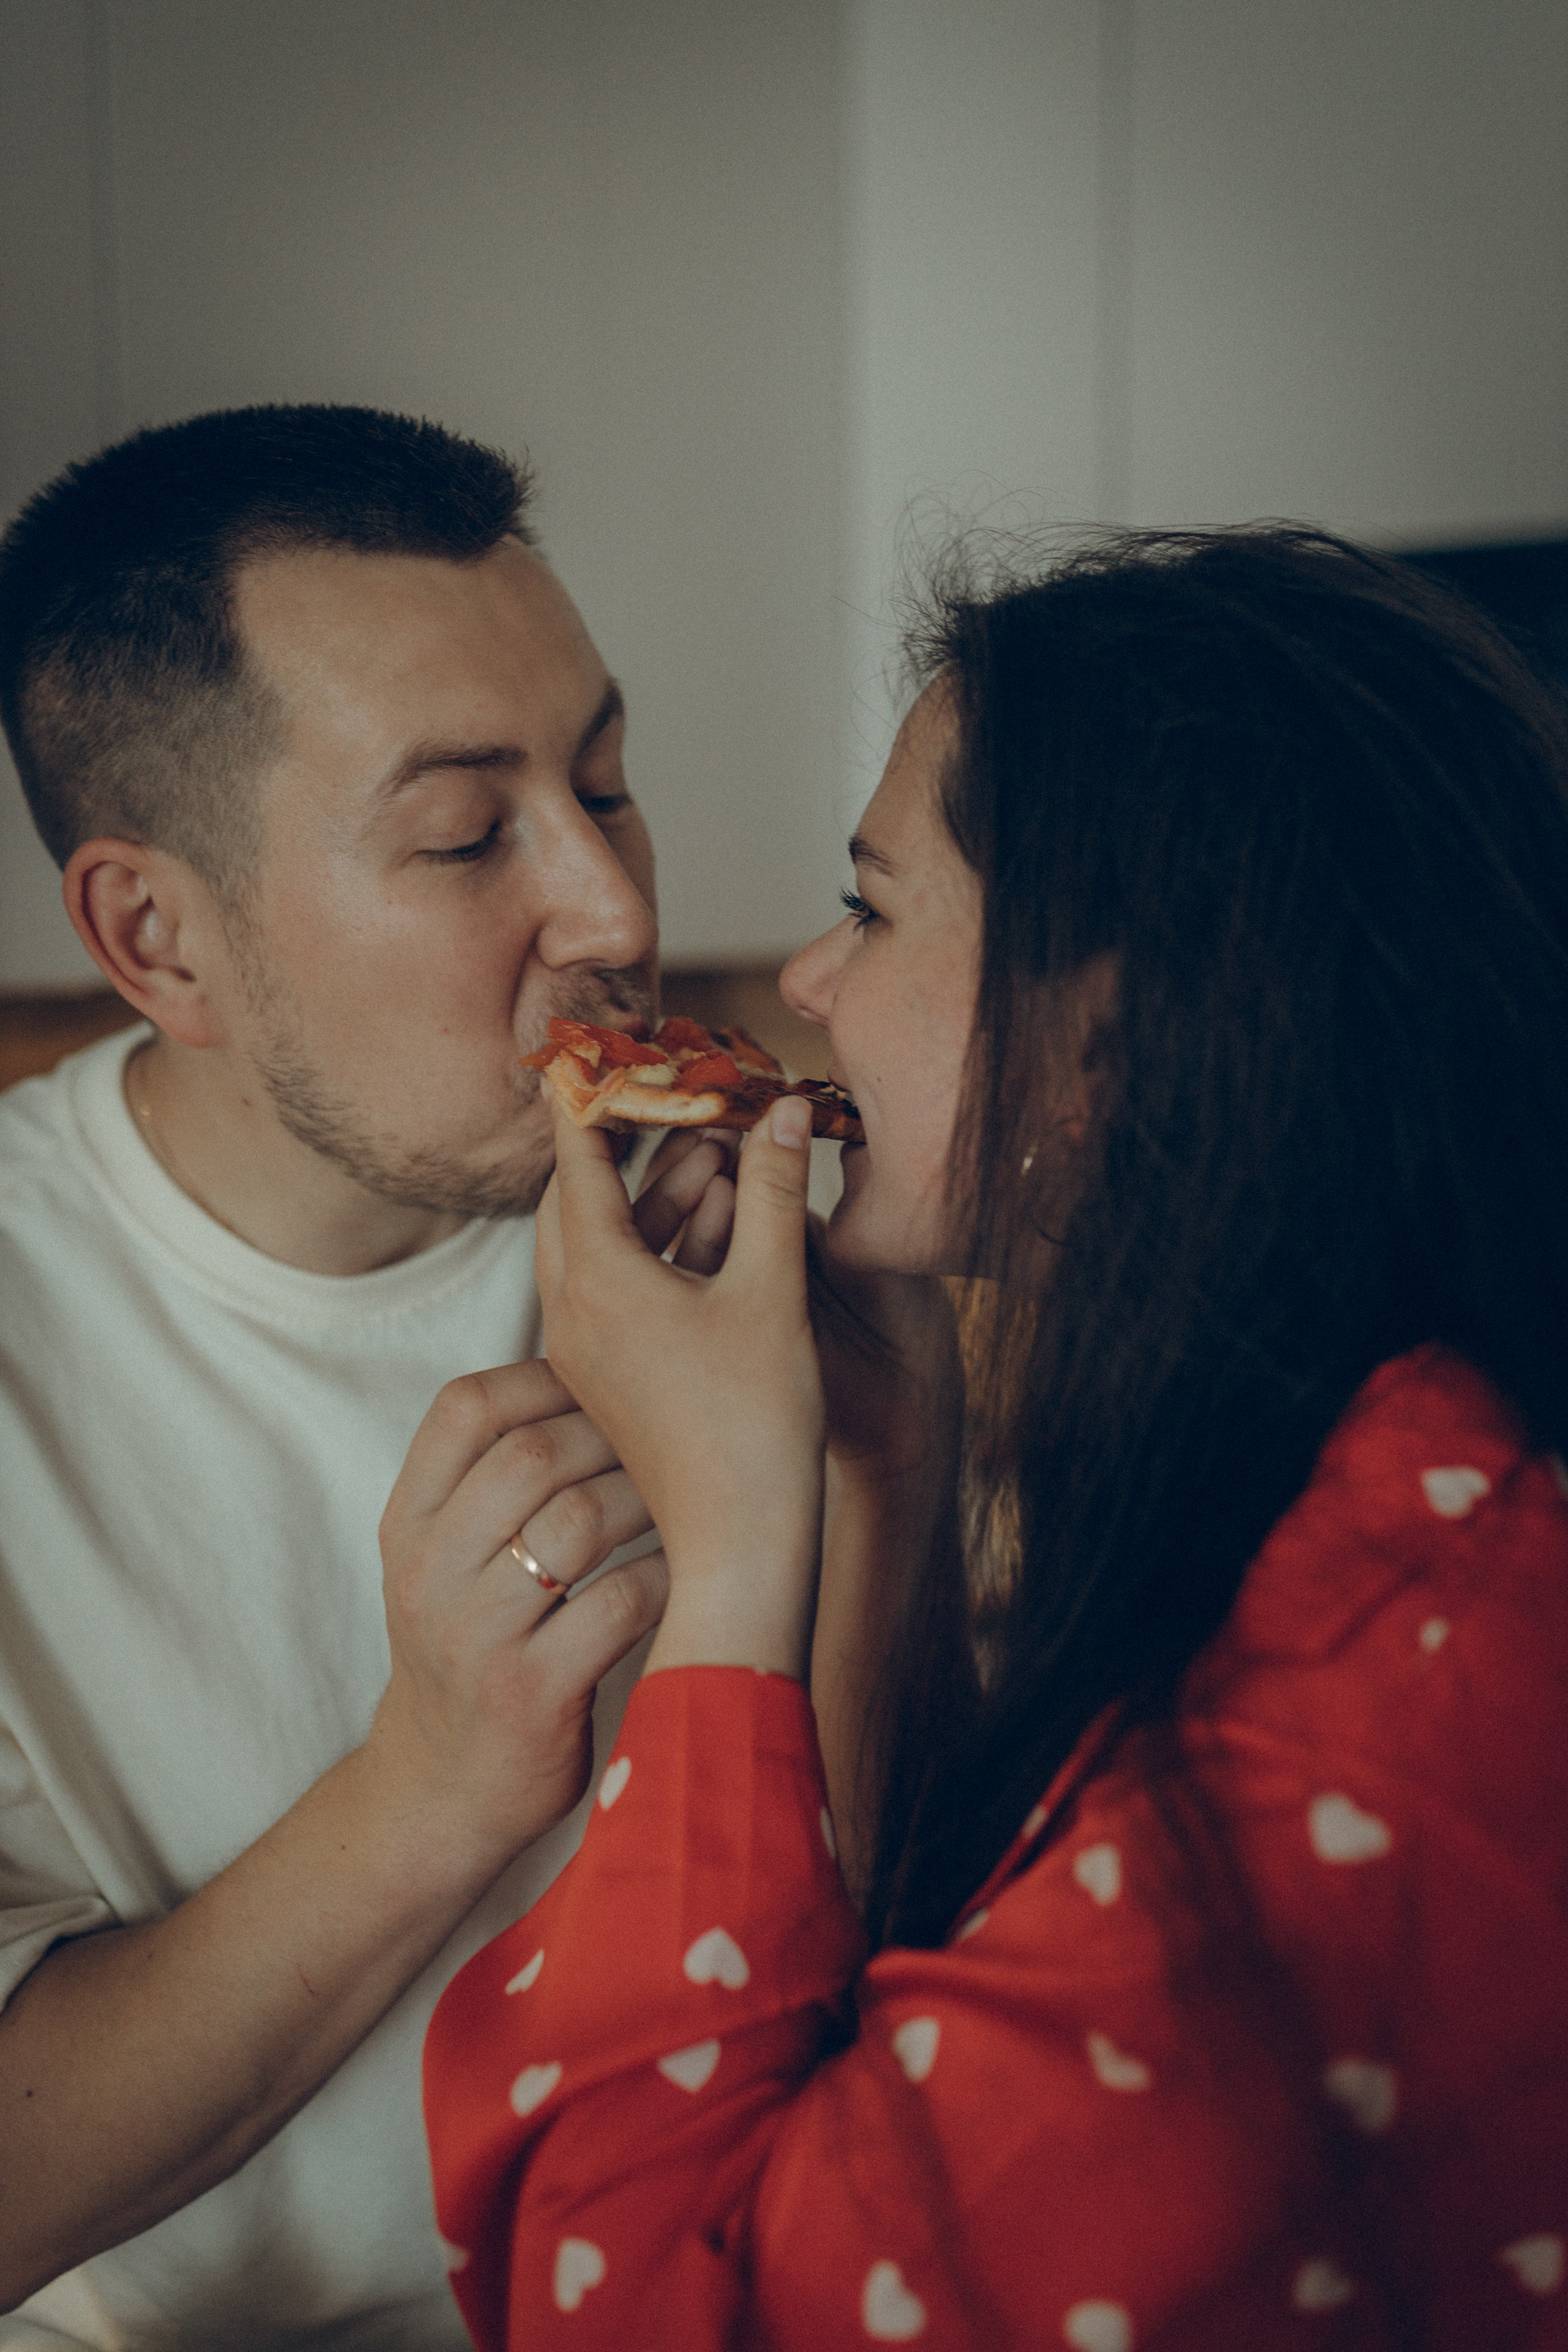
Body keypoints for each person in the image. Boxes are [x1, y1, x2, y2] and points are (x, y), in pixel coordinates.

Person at [423, 526, 1568, 2350]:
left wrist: (733, 1558)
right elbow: (908, 2046)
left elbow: (662, 2306)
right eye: (461, 831)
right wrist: (884, 1469)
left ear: (1104, 1031)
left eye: (872, 906)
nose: (805, 980)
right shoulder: (1408, 1480)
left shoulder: (1361, 1732)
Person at [0, 405, 731, 2346]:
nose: (617, 914)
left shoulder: (721, 1232)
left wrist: (862, 1465)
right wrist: (436, 1781)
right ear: (159, 937)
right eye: (469, 836)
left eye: (608, 785)